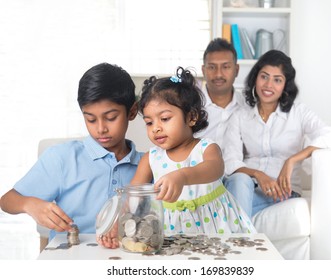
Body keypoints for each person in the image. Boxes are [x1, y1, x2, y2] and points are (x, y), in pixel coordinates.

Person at [197, 38, 331, 217]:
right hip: (249, 188)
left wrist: (292, 160)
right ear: (255, 78)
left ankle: (233, 235)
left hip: (283, 191)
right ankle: (239, 238)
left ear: (285, 85)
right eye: (264, 77)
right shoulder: (241, 115)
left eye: (277, 80)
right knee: (239, 180)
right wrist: (258, 175)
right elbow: (231, 161)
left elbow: (328, 135)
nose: (268, 85)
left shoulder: (299, 113)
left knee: (226, 210)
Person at [0, 63, 143, 241]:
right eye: (90, 119)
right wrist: (29, 204)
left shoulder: (148, 165)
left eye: (111, 118)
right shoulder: (62, 158)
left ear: (132, 112)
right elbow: (6, 201)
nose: (100, 128)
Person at [133, 66, 256, 236]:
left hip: (216, 227)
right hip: (173, 231)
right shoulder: (150, 159)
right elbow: (132, 195)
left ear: (191, 117)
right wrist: (117, 220)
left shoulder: (206, 148)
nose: (156, 128)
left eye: (165, 119)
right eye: (149, 122)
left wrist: (182, 176)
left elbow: (215, 169)